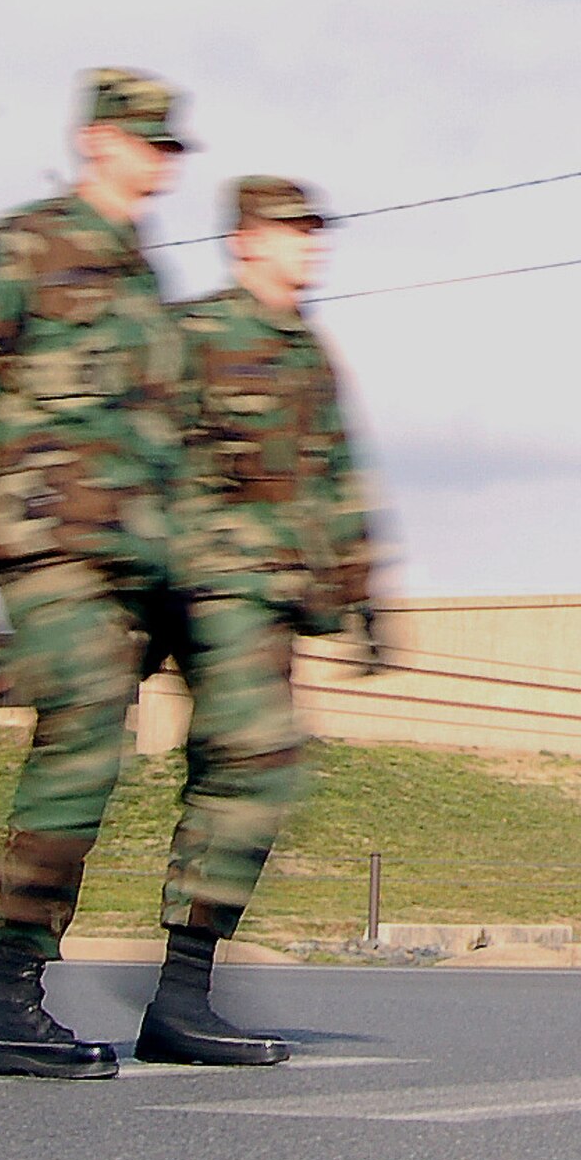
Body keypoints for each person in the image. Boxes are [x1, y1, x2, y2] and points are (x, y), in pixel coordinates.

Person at [0, 68, 192, 1080]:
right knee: (80, 730)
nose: (157, 159)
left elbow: (165, 435)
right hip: (45, 536)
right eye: (142, 140)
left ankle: (7, 975)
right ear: (94, 141)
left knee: (91, 744)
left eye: (167, 145)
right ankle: (6, 986)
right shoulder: (24, 242)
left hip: (130, 556)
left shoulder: (143, 278)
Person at [135, 176, 380, 1067]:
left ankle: (179, 992)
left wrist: (363, 594)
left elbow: (338, 475)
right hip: (212, 589)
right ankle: (176, 992)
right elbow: (143, 450)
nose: (310, 246)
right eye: (293, 232)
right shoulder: (196, 335)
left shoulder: (306, 351)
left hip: (275, 599)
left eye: (315, 231)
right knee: (256, 763)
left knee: (243, 778)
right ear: (247, 241)